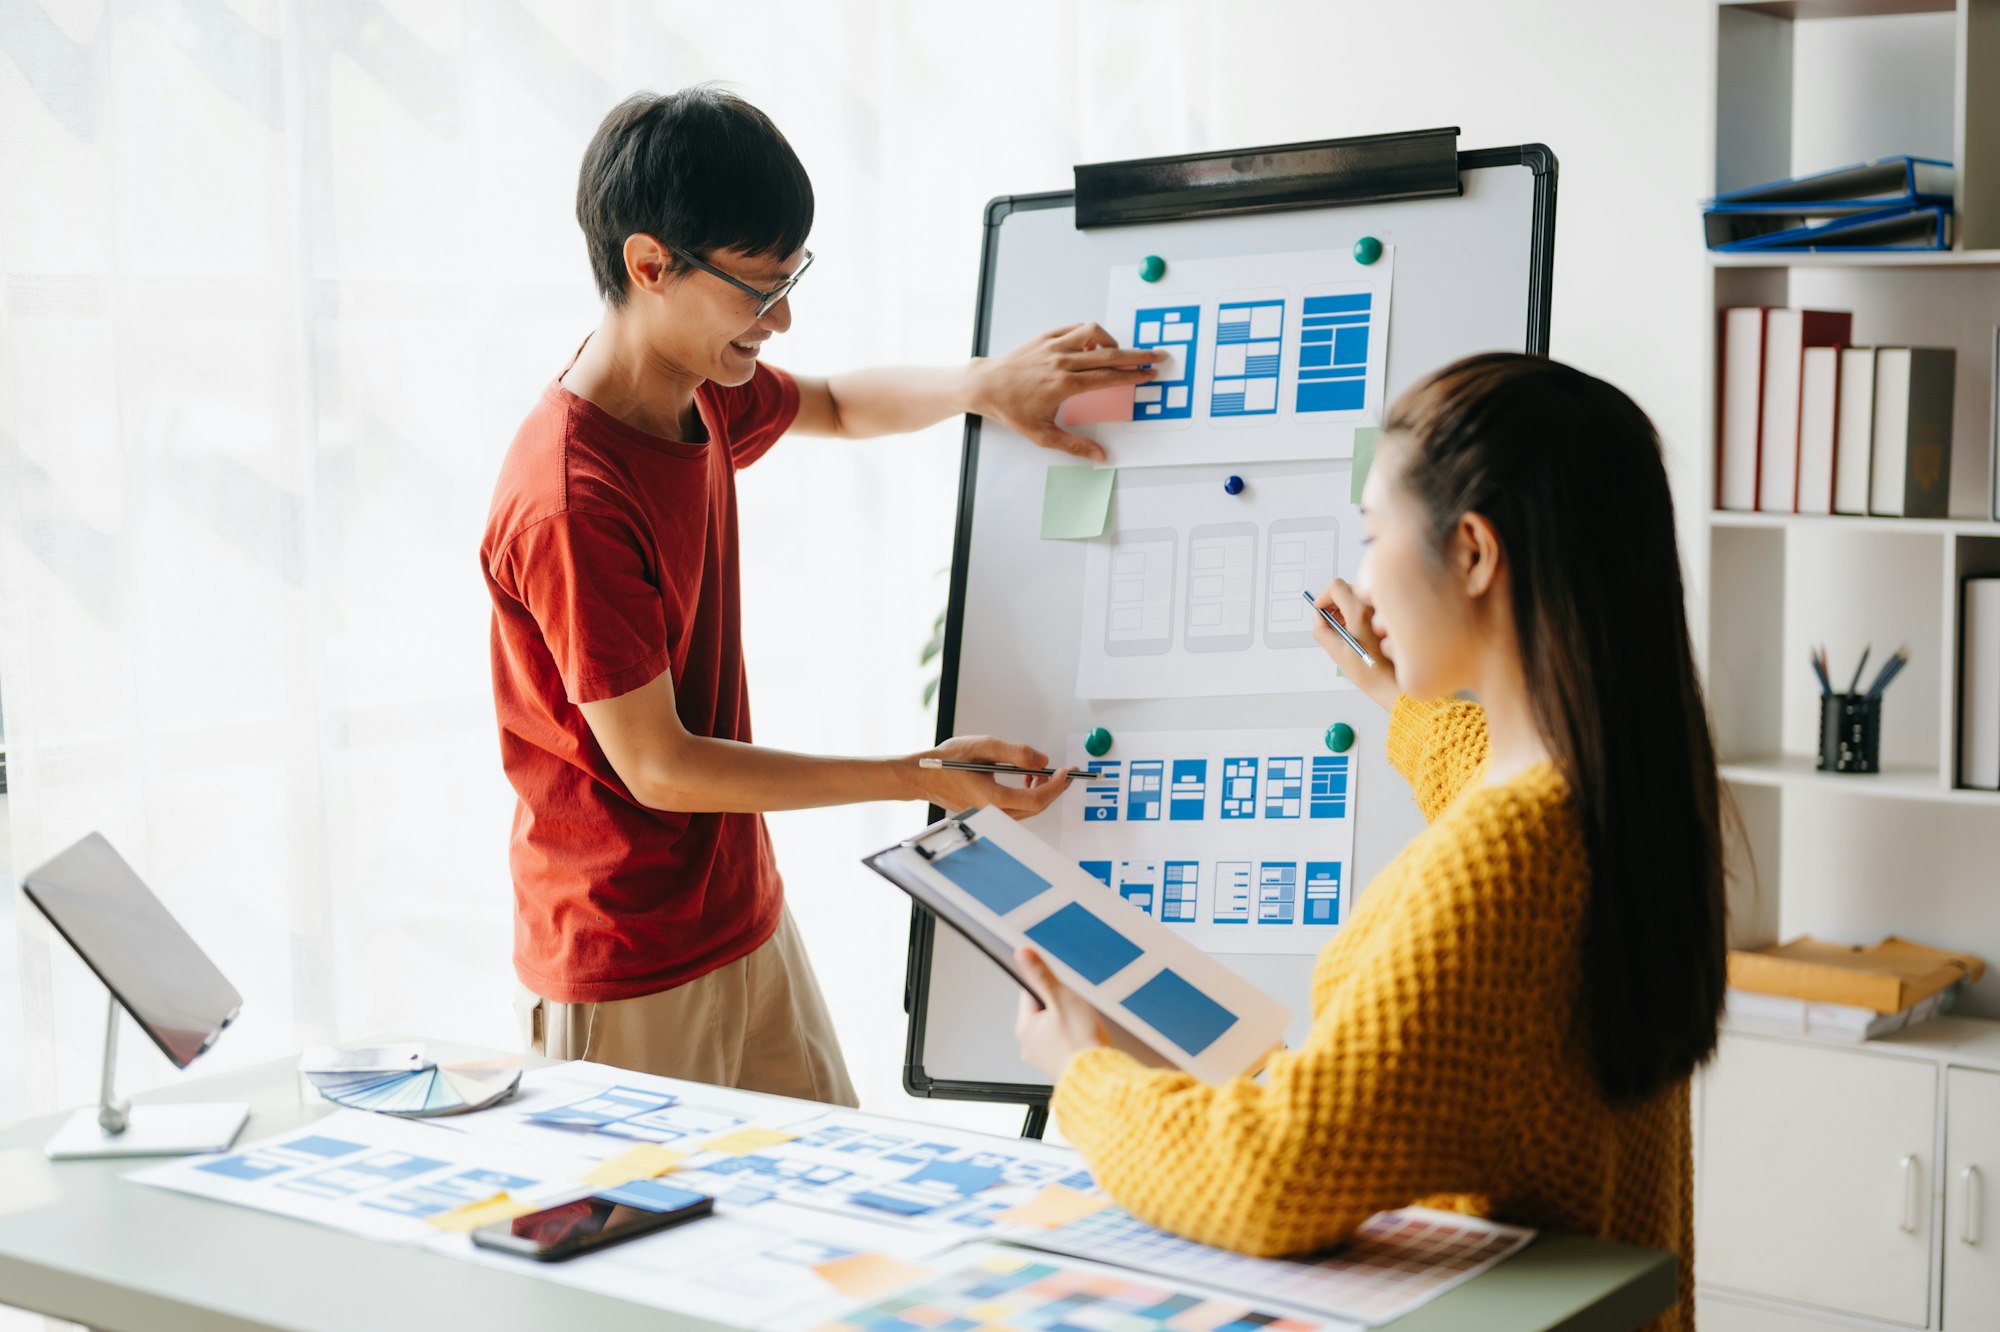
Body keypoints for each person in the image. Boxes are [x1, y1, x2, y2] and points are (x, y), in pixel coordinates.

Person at [1015, 352, 1726, 1330]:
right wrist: (1390, 694)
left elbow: (1272, 1171)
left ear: (1471, 554)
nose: (1360, 576)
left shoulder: (1507, 853)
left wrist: (1081, 1071)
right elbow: (1479, 778)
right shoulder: (1625, 783)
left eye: (1371, 534)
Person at [482, 85, 1161, 1105]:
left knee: (836, 1230)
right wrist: (913, 774)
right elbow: (658, 768)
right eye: (759, 290)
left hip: (738, 919)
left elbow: (837, 403)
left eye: (790, 279)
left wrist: (987, 383)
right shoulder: (570, 500)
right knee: (663, 1260)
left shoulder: (695, 391)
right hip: (622, 959)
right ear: (649, 265)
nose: (783, 316)